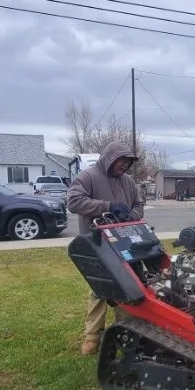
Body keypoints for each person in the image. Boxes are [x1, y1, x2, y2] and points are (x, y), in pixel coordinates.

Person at [66, 140, 144, 355]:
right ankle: (92, 336)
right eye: (122, 161)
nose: (125, 166)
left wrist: (130, 216)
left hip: (125, 242)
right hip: (97, 244)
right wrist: (107, 207)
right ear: (110, 157)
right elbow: (73, 202)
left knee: (129, 285)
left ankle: (126, 329)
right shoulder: (88, 177)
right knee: (100, 289)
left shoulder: (128, 182)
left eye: (128, 163)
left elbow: (139, 205)